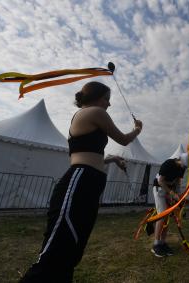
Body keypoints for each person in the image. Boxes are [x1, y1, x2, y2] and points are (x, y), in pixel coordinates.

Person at [19, 81, 143, 283]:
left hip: (88, 181)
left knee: (71, 250)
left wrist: (111, 159)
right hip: (79, 181)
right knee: (57, 249)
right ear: (95, 97)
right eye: (106, 99)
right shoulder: (95, 112)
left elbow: (87, 155)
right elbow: (123, 139)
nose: (108, 105)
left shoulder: (87, 117)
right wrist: (137, 129)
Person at [151, 153, 188, 257]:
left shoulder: (183, 167)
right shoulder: (168, 164)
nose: (183, 168)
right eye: (183, 165)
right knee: (162, 216)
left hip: (170, 189)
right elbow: (160, 181)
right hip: (159, 188)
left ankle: (162, 242)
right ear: (179, 160)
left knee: (167, 218)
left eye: (185, 167)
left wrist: (178, 196)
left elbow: (177, 181)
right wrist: (171, 193)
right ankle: (156, 244)